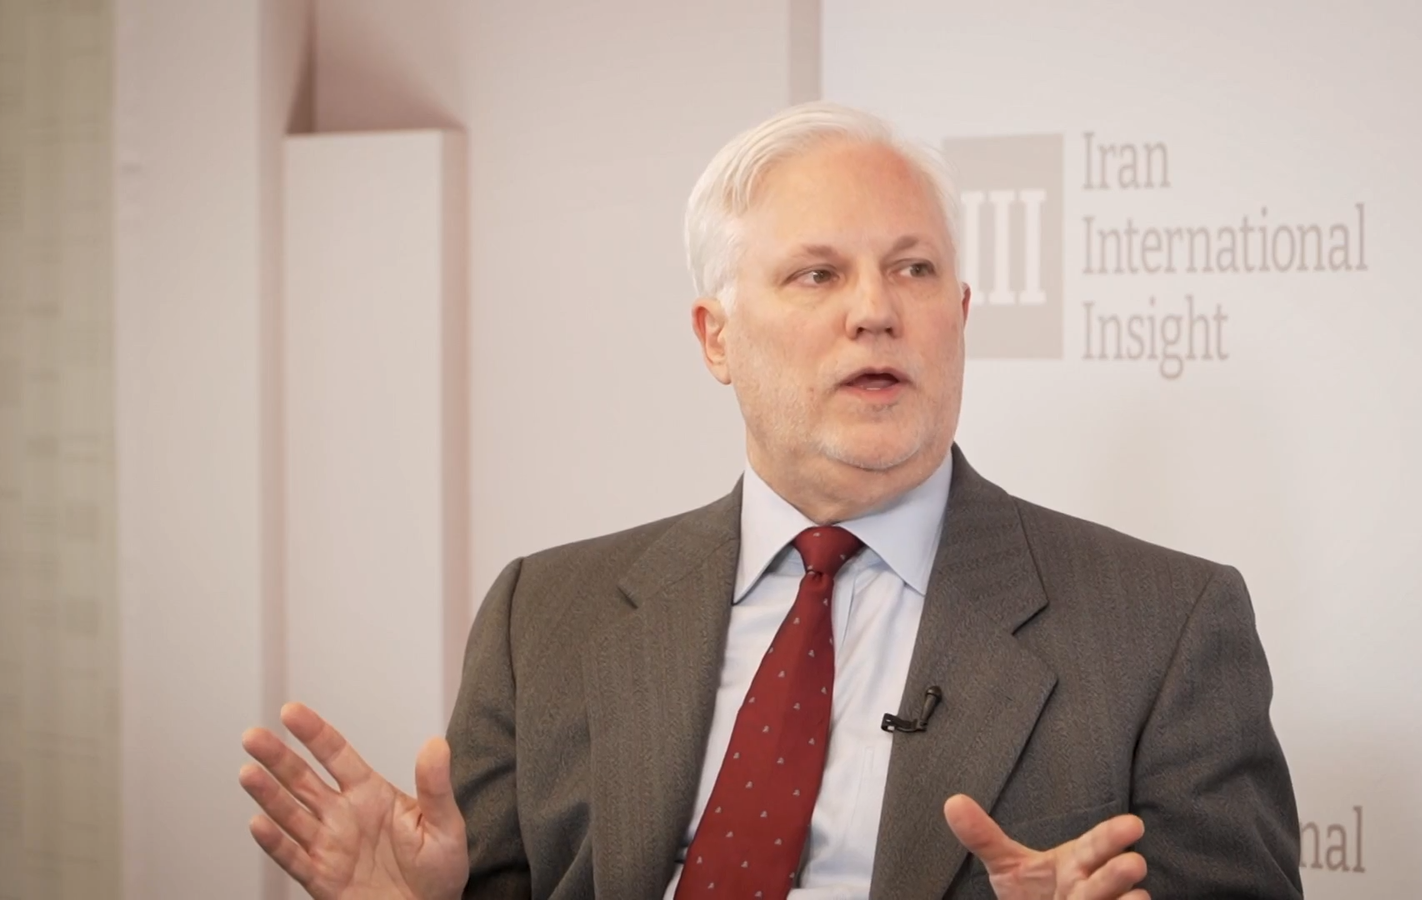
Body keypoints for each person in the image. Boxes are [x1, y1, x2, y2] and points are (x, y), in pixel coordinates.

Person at [239, 102, 1303, 900]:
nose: (876, 312)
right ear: (716, 338)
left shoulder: (1163, 627)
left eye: (914, 269)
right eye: (817, 276)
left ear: (962, 314)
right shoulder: (542, 618)